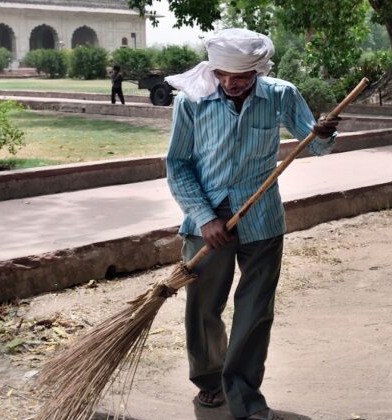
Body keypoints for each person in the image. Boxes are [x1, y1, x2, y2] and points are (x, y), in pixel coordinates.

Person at [165, 28, 339, 420]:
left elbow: (314, 144)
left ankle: (244, 394)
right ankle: (210, 380)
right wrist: (206, 217)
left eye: (241, 76)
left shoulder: (281, 94)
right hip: (205, 222)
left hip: (261, 221)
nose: (230, 83)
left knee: (255, 310)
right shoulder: (191, 100)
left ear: (259, 70)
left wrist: (324, 132)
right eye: (223, 74)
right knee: (204, 306)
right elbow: (177, 164)